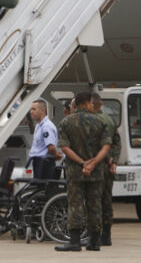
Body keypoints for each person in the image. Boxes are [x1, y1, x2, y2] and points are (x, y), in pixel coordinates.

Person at [54, 92, 111, 252]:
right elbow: (106, 146)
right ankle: (94, 241)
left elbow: (64, 147)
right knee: (95, 205)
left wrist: (82, 163)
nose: (93, 105)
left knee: (75, 204)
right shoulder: (100, 121)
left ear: (75, 105)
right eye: (91, 103)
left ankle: (75, 241)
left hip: (75, 171)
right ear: (86, 104)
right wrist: (94, 162)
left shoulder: (66, 122)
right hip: (96, 172)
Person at [90, 93, 120, 246]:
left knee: (94, 201)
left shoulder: (92, 121)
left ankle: (95, 235)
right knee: (106, 200)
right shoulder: (110, 120)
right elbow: (116, 143)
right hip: (108, 166)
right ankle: (107, 235)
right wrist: (114, 161)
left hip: (96, 165)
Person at [28, 99, 62, 180]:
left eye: (34, 109)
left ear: (42, 111)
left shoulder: (46, 126)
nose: (31, 112)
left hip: (44, 164)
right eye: (31, 109)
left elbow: (51, 147)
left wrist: (56, 155)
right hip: (38, 162)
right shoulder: (39, 126)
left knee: (42, 186)